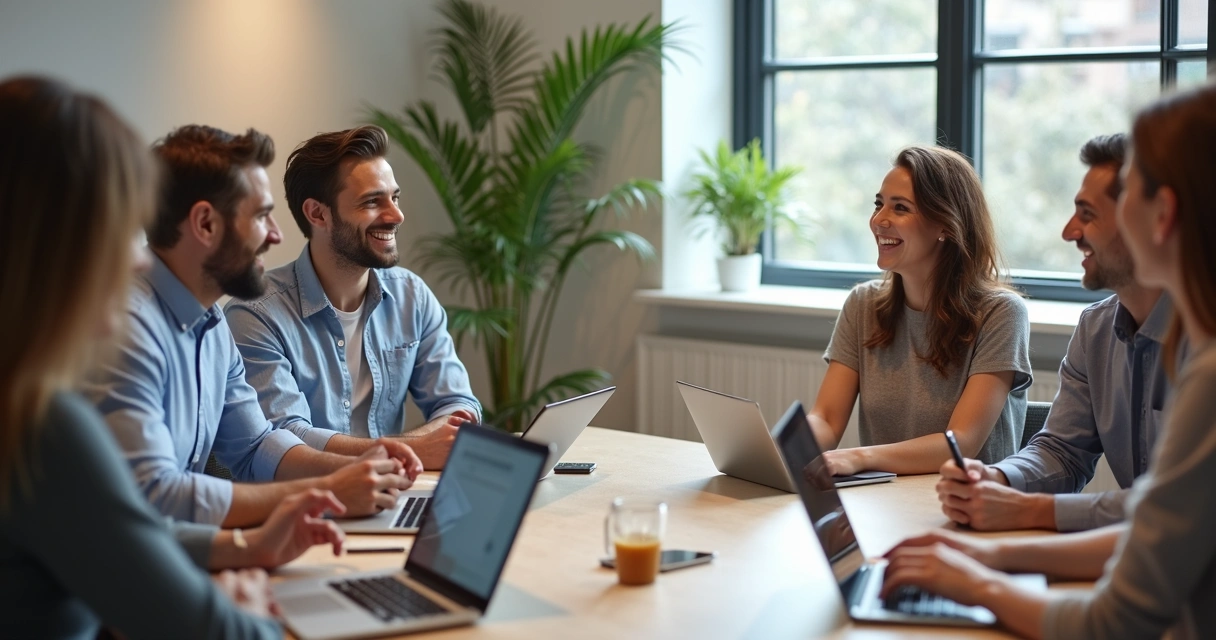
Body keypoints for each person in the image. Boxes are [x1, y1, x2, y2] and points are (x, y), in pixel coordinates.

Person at [882, 82, 1216, 640]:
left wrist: (977, 577)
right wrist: (993, 534)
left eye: (1100, 207)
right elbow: (1151, 525)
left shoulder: (1207, 369)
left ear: (1163, 215)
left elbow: (1114, 619)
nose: (1067, 232)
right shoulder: (1101, 329)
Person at [0, 74, 288, 638]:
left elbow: (103, 530)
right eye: (115, 233)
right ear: (54, 247)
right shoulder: (40, 428)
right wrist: (248, 610)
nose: (136, 263)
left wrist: (242, 546)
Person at [83, 124, 423, 527]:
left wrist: (356, 468)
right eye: (262, 216)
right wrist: (328, 492)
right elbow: (153, 497)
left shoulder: (210, 323)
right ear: (206, 224)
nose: (277, 235)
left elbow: (256, 445)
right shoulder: (125, 328)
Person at [936, 134, 1174, 532]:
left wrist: (1025, 511)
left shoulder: (1203, 340)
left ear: (1153, 221)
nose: (1069, 232)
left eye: (1087, 214)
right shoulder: (1096, 329)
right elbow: (1063, 451)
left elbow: (1177, 503)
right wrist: (997, 479)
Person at [225, 126, 480, 469]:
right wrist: (413, 450)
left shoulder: (412, 297)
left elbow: (458, 404)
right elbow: (285, 436)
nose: (396, 215)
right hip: (305, 506)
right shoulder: (256, 314)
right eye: (373, 201)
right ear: (318, 214)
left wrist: (425, 446)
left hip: (395, 491)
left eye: (395, 197)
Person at [809, 145, 1032, 476]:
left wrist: (858, 457)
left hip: (967, 510)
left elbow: (961, 443)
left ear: (945, 224)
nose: (878, 220)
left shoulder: (1001, 313)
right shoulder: (862, 304)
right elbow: (826, 418)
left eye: (900, 208)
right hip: (883, 505)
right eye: (878, 204)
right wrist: (782, 447)